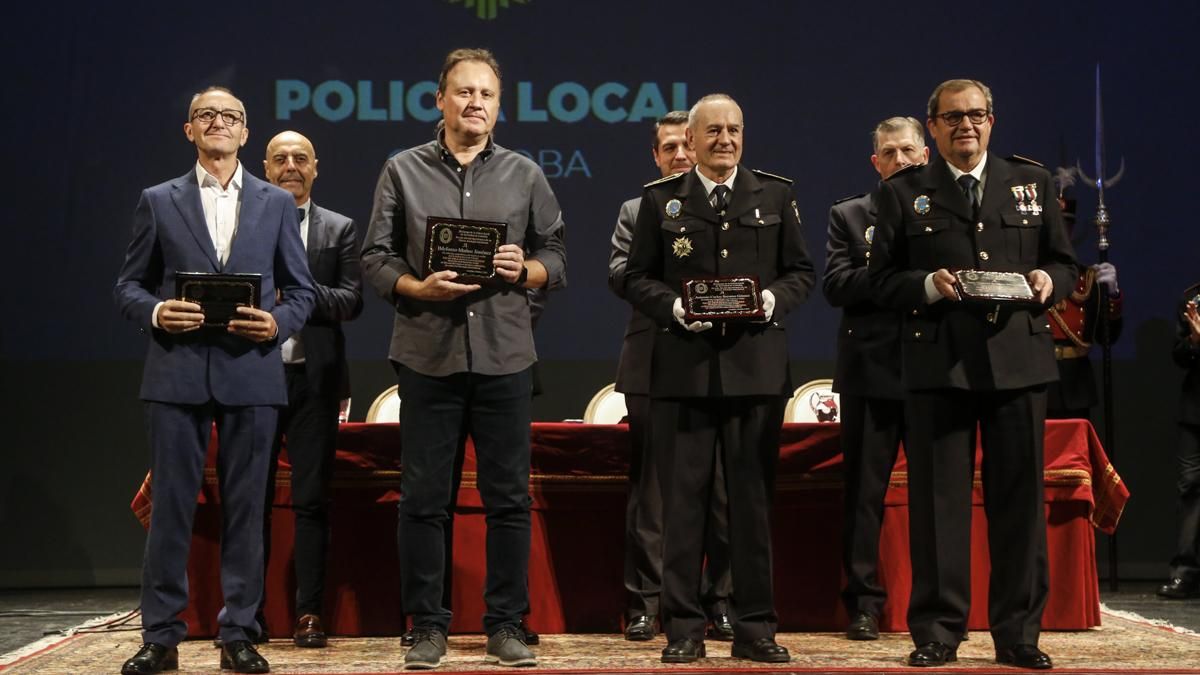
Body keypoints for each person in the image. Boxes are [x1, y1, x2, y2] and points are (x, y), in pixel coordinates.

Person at [360, 48, 566, 670]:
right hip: (429, 354)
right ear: (440, 100)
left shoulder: (526, 174)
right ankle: (427, 625)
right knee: (425, 499)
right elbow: (374, 256)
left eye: (487, 95)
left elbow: (556, 256)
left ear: (498, 106)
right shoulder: (402, 170)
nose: (476, 103)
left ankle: (506, 623)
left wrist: (525, 269)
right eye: (464, 92)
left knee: (508, 499)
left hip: (505, 355)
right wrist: (414, 287)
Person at [868, 79, 1077, 670]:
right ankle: (937, 631)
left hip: (1017, 361)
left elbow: (1063, 261)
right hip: (940, 365)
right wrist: (927, 287)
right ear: (931, 127)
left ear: (992, 121)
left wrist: (1049, 284)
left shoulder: (1030, 182)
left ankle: (1018, 634)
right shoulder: (905, 191)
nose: (966, 125)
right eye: (953, 117)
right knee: (938, 506)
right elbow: (879, 280)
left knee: (1019, 504)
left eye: (977, 115)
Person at [114, 87, 316, 675]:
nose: (219, 124)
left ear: (246, 133)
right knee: (172, 509)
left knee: (246, 510)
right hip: (176, 373)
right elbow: (129, 285)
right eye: (207, 115)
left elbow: (301, 291)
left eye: (231, 117)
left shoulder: (277, 202)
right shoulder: (158, 200)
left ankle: (239, 633)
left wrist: (276, 322)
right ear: (189, 130)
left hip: (251, 374)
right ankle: (161, 637)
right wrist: (156, 312)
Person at [625, 93, 814, 664]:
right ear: (692, 139)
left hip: (755, 372)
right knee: (684, 506)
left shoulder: (776, 194)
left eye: (734, 129)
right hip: (683, 370)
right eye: (713, 131)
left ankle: (756, 628)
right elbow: (636, 276)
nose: (725, 140)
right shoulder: (661, 201)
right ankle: (684, 628)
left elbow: (800, 272)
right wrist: (676, 308)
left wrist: (772, 300)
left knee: (751, 507)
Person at [609, 110, 734, 643]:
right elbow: (621, 273)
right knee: (654, 492)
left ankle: (721, 600)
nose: (680, 155)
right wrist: (677, 299)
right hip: (654, 360)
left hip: (725, 363)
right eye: (668, 148)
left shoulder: (735, 205)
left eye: (688, 144)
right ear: (655, 156)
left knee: (724, 493)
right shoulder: (639, 208)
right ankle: (646, 603)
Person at [822, 116, 928, 641]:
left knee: (937, 494)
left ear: (925, 155)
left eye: (909, 149)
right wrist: (902, 276)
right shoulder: (849, 214)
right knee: (863, 496)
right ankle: (863, 604)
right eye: (890, 152)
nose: (901, 159)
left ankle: (932, 606)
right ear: (876, 162)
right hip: (870, 373)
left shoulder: (948, 214)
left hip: (935, 370)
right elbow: (837, 284)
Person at [260, 130, 363, 648]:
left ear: (316, 168)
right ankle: (246, 613)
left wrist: (297, 292)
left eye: (301, 158)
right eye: (280, 159)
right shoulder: (243, 221)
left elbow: (351, 300)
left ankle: (308, 613)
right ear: (265, 166)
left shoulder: (338, 228)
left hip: (315, 381)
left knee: (311, 501)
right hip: (252, 379)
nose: (291, 166)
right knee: (249, 500)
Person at [1045, 191, 1122, 420]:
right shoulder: (1029, 276)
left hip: (1075, 383)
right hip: (1038, 378)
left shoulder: (1087, 280)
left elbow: (1107, 336)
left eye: (1065, 226)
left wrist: (1113, 294)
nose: (1060, 233)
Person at [1159, 287, 1200, 600]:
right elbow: (1178, 354)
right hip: (1195, 412)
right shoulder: (1193, 299)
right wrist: (1195, 341)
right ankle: (1184, 573)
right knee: (1189, 490)